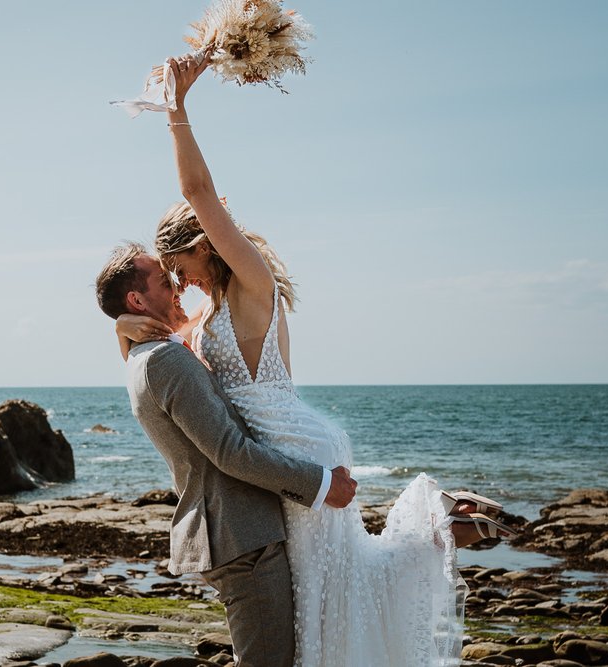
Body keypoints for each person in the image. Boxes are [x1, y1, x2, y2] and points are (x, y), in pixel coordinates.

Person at [113, 53, 518, 667]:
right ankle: (440, 527)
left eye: (181, 268)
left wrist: (177, 112)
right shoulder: (205, 317)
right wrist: (121, 328)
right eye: (170, 277)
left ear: (202, 244)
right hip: (279, 458)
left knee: (336, 591)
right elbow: (167, 361)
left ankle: (437, 526)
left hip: (295, 450)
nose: (182, 282)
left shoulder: (252, 286)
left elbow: (196, 191)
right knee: (335, 588)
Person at [95, 243, 359, 667]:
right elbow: (229, 452)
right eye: (166, 281)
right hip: (241, 535)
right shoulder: (164, 358)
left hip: (235, 533)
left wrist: (120, 328)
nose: (179, 286)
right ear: (137, 300)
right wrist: (323, 484)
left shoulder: (144, 355)